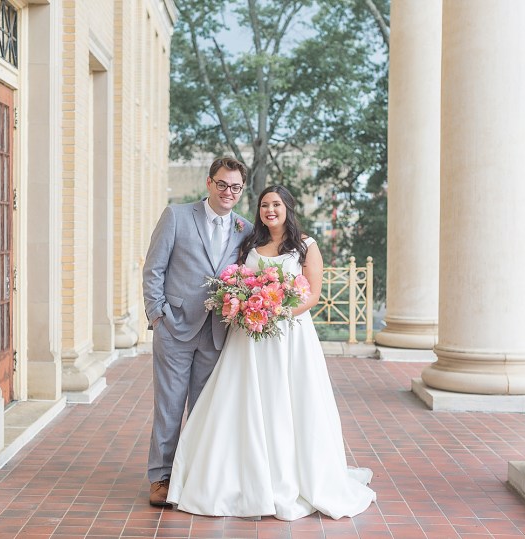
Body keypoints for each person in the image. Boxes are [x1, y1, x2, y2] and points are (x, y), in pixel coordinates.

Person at [166, 185, 376, 520]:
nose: (270, 210)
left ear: (288, 207)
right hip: (248, 338)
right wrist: (247, 307)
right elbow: (239, 281)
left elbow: (312, 295)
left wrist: (275, 313)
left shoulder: (306, 246)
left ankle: (289, 477)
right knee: (243, 400)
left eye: (276, 204)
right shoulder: (250, 243)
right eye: (264, 205)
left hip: (289, 337)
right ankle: (234, 477)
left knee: (287, 400)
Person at [142, 156, 253, 507]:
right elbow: (153, 269)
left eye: (235, 187)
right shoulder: (176, 216)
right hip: (174, 327)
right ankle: (161, 476)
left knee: (206, 408)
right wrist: (157, 315)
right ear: (209, 182)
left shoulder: (245, 229)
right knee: (170, 406)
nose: (228, 192)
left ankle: (193, 475)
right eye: (222, 184)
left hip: (218, 332)